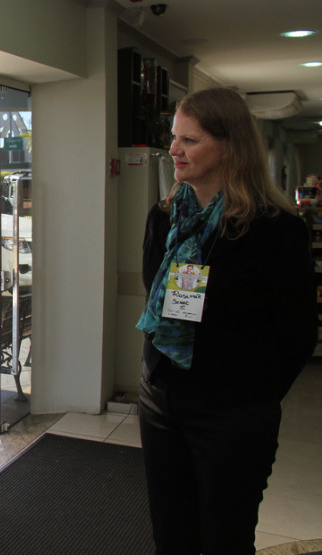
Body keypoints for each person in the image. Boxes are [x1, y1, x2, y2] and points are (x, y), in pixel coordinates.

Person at [135, 87, 317, 554]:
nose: (174, 149)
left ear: (231, 145)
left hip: (232, 414)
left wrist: (248, 396)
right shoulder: (165, 217)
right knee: (171, 538)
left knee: (225, 539)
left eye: (190, 140)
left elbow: (296, 333)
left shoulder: (274, 228)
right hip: (162, 403)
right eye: (174, 137)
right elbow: (153, 293)